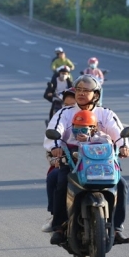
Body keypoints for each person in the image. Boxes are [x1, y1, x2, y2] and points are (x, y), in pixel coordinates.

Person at [44, 74, 129, 245]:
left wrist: (124, 147)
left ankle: (116, 227)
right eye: (78, 90)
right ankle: (60, 226)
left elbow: (117, 131)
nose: (81, 93)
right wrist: (55, 148)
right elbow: (55, 130)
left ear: (96, 94)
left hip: (100, 157)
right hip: (72, 158)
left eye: (86, 90)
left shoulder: (105, 113)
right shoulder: (65, 112)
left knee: (121, 184)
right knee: (59, 179)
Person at [42, 87, 77, 232]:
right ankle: (56, 216)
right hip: (67, 162)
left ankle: (114, 226)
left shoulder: (99, 116)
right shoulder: (62, 116)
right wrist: (55, 155)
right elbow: (51, 144)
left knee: (119, 183)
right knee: (54, 177)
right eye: (67, 105)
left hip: (93, 165)